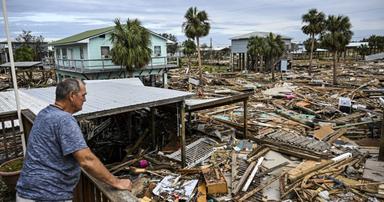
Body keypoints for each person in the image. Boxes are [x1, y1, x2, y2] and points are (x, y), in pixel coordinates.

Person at [16, 79, 132, 201]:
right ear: (72, 96)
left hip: (27, 192)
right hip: (47, 196)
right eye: (83, 95)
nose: (85, 99)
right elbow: (86, 160)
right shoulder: (64, 120)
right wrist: (117, 182)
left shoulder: (44, 113)